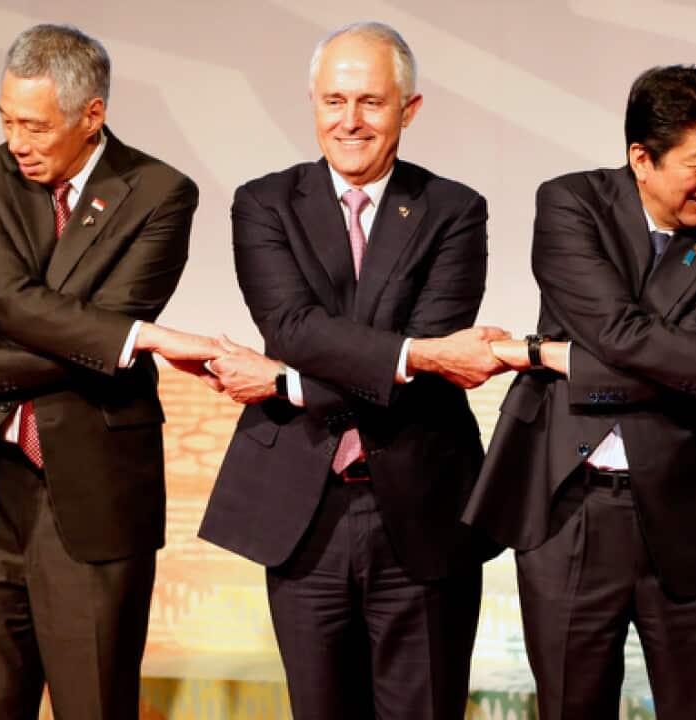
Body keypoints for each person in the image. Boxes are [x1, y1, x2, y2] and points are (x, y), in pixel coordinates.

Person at [463, 65, 696, 719]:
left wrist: (539, 354)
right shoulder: (570, 203)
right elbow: (626, 337)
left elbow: (670, 358)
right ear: (642, 157)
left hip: (683, 499)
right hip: (567, 503)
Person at [0, 24, 220, 719]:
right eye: (6, 119)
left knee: (94, 705)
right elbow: (13, 304)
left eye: (34, 125)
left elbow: (98, 334)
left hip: (96, 491)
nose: (17, 141)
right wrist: (134, 338)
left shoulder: (159, 191)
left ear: (92, 114)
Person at [198, 22, 504, 720]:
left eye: (370, 101)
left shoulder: (454, 209)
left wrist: (285, 383)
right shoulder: (265, 202)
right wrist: (408, 355)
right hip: (304, 512)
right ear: (312, 103)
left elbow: (431, 355)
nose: (350, 120)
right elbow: (293, 328)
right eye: (334, 100)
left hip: (424, 506)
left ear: (409, 109)